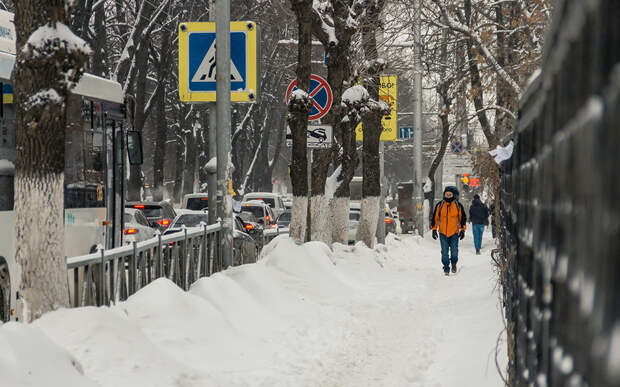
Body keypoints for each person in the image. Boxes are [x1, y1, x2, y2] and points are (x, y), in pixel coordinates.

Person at [431, 186, 467, 275]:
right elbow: (435, 218)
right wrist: (434, 229)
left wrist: (462, 230)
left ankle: (454, 263)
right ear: (444, 195)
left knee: (454, 251)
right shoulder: (440, 205)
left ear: (453, 195)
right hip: (443, 232)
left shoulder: (458, 205)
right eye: (446, 194)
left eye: (450, 194)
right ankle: (446, 267)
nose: (448, 196)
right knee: (444, 252)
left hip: (454, 232)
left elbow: (462, 218)